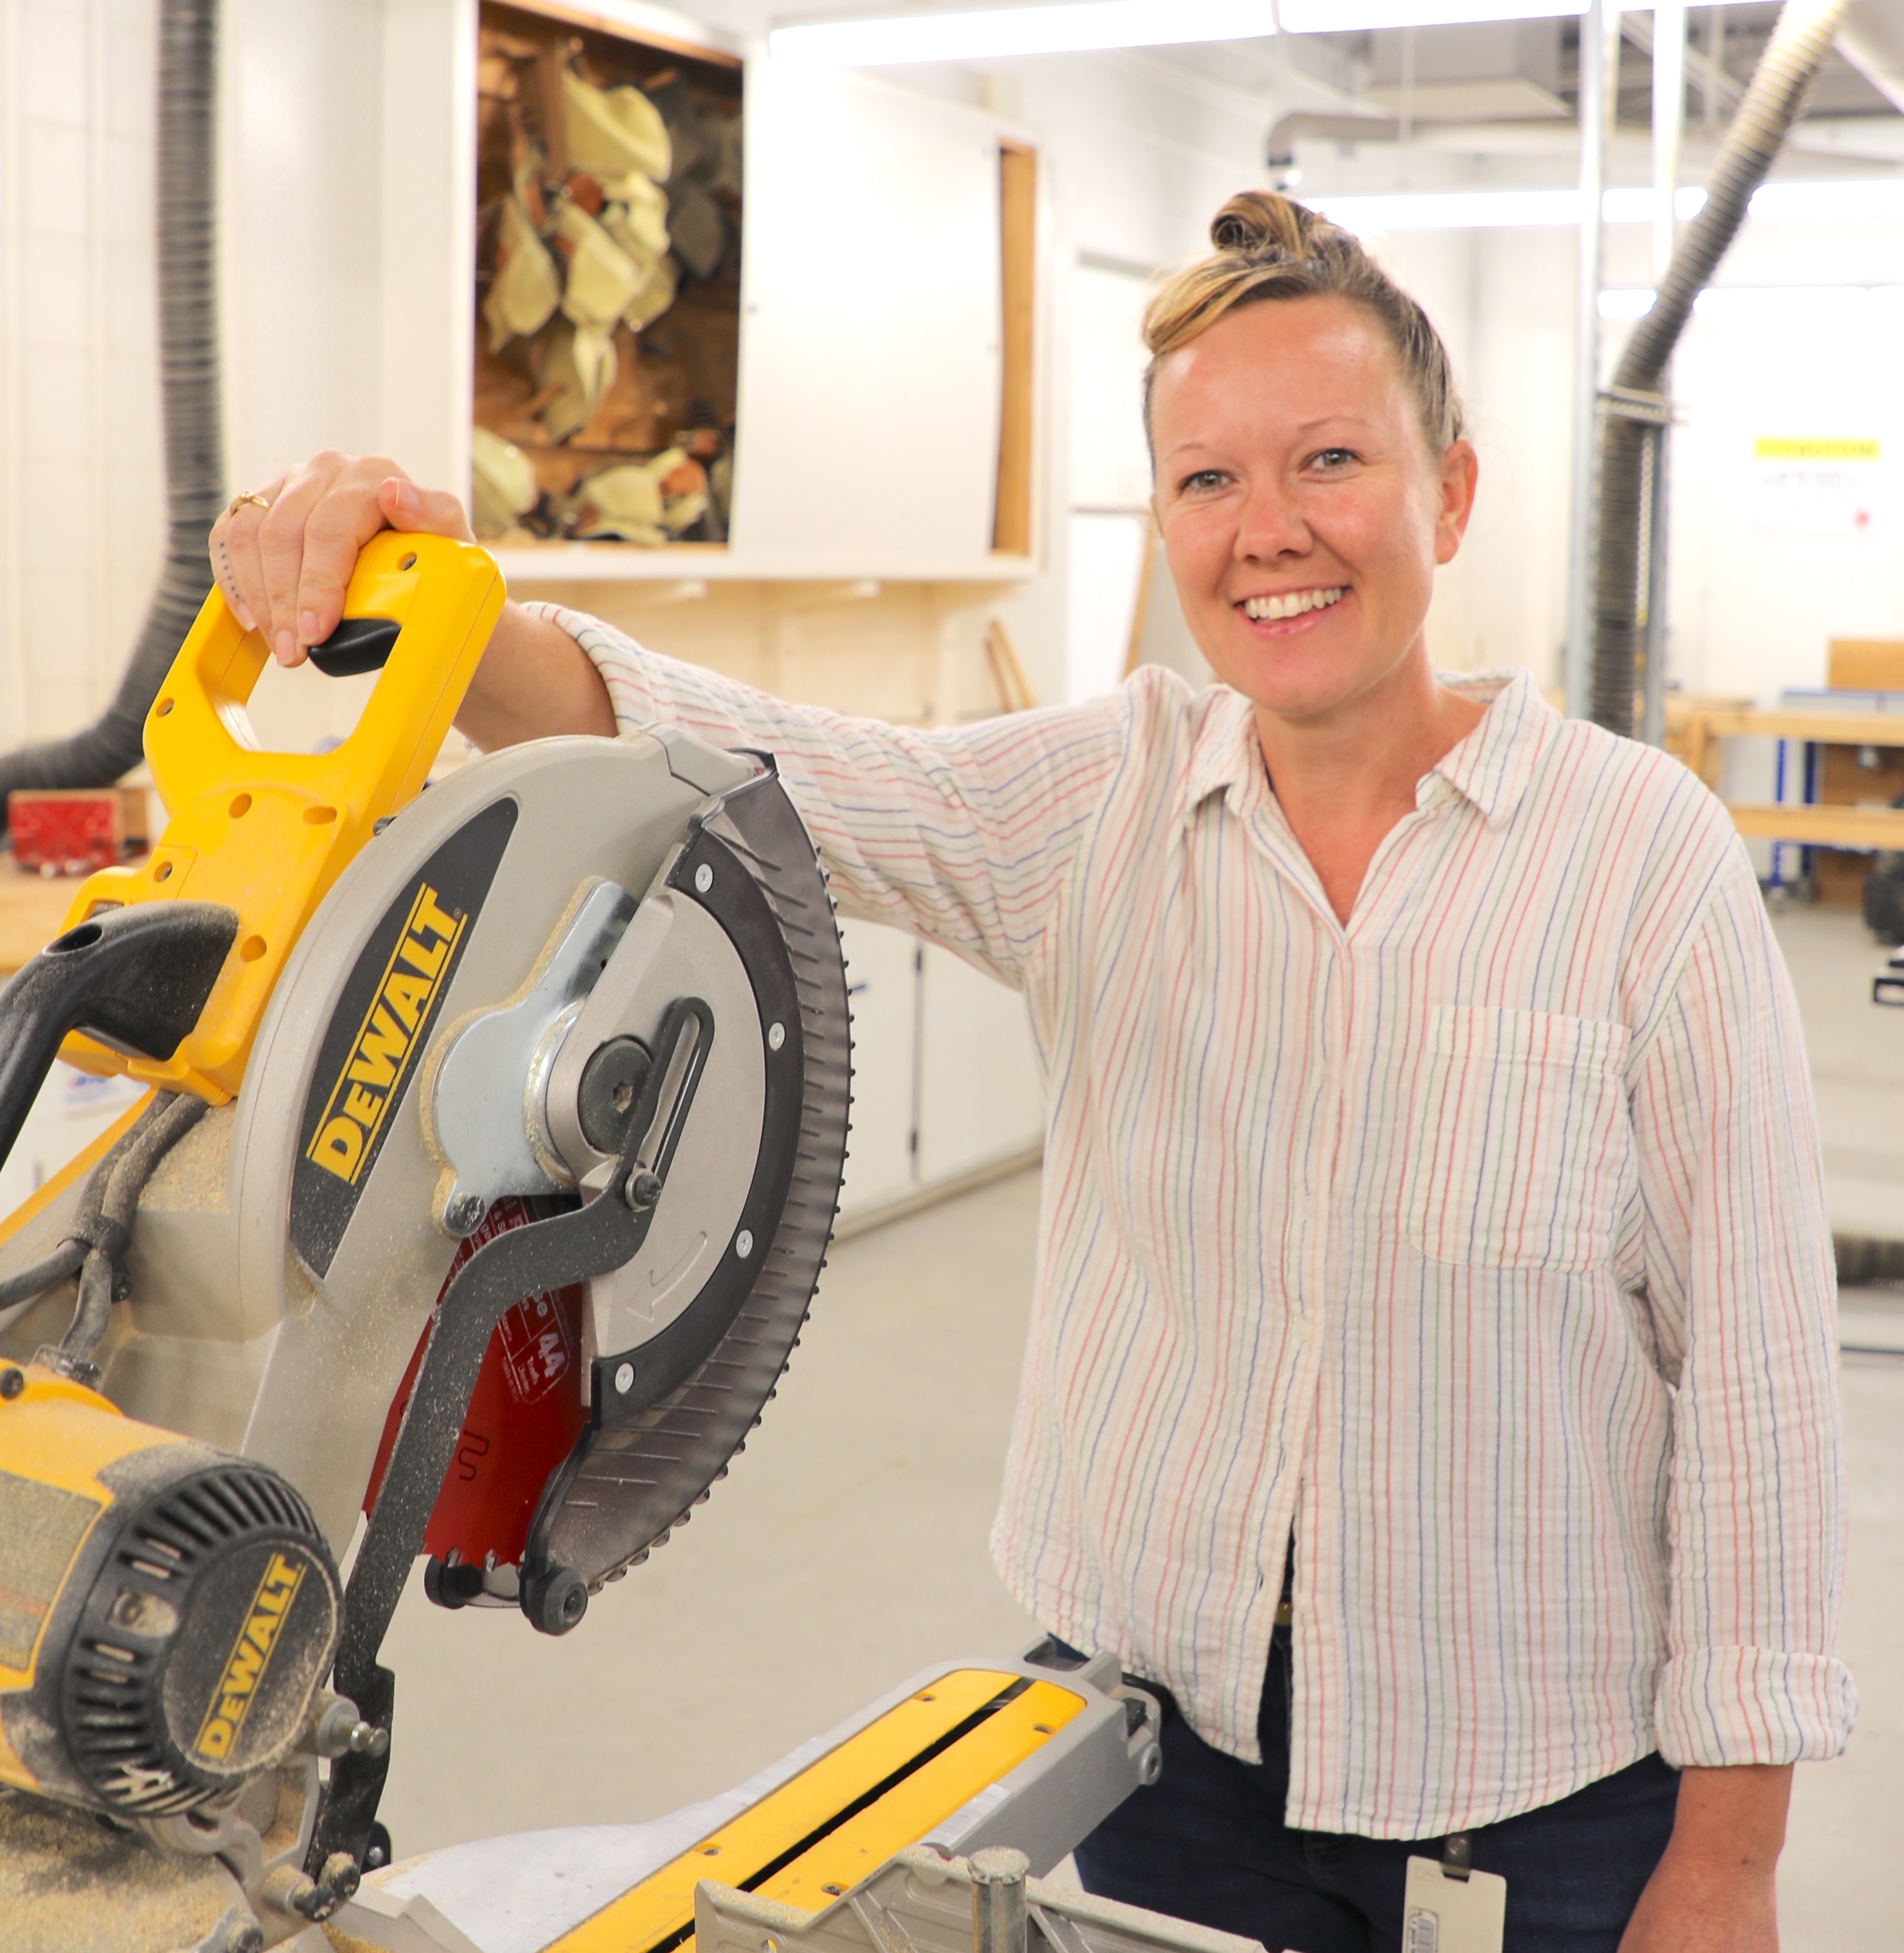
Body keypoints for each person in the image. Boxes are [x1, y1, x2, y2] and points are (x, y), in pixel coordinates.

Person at [211, 192, 1852, 1953]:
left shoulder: (1640, 860)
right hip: (1163, 1749)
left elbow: (1755, 1380)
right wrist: (451, 619)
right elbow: (747, 761)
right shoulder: (1101, 803)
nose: (1268, 530)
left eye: (1329, 459)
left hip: (1540, 1784)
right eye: (1207, 480)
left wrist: (1729, 1858)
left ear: (1448, 493)